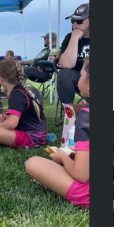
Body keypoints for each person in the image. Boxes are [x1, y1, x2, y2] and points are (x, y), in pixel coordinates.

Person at [25, 59, 88, 207]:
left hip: (87, 192)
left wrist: (62, 157)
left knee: (33, 163)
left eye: (81, 74)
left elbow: (82, 175)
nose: (79, 77)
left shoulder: (86, 116)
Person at [0, 58, 47, 149]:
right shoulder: (18, 90)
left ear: (1, 79)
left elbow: (11, 124)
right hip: (33, 133)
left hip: (33, 138)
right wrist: (4, 117)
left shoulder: (17, 94)